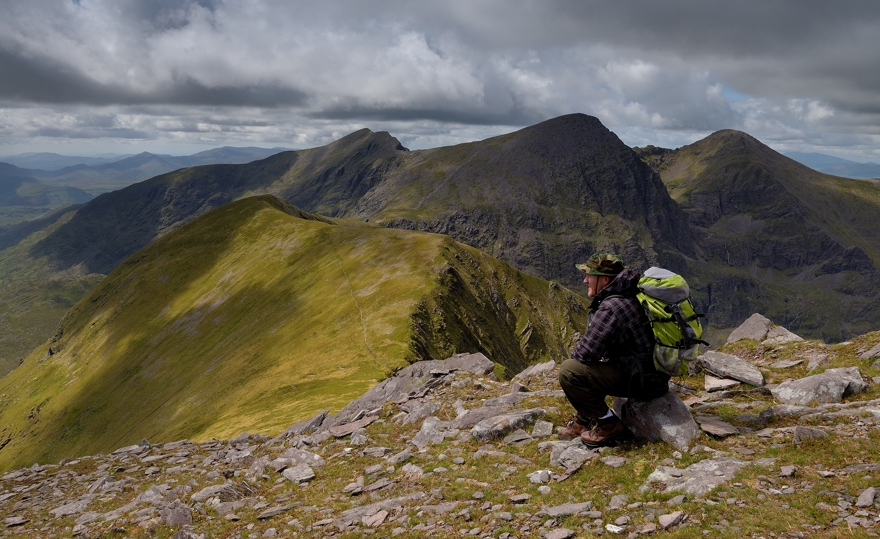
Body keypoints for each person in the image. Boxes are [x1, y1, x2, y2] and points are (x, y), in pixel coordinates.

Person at [557, 253, 669, 447]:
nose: (585, 280)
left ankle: (608, 424)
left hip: (643, 381)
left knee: (570, 371)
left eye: (589, 276)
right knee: (594, 366)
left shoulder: (611, 307)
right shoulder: (628, 295)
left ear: (605, 279)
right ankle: (582, 422)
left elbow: (584, 354)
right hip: (651, 375)